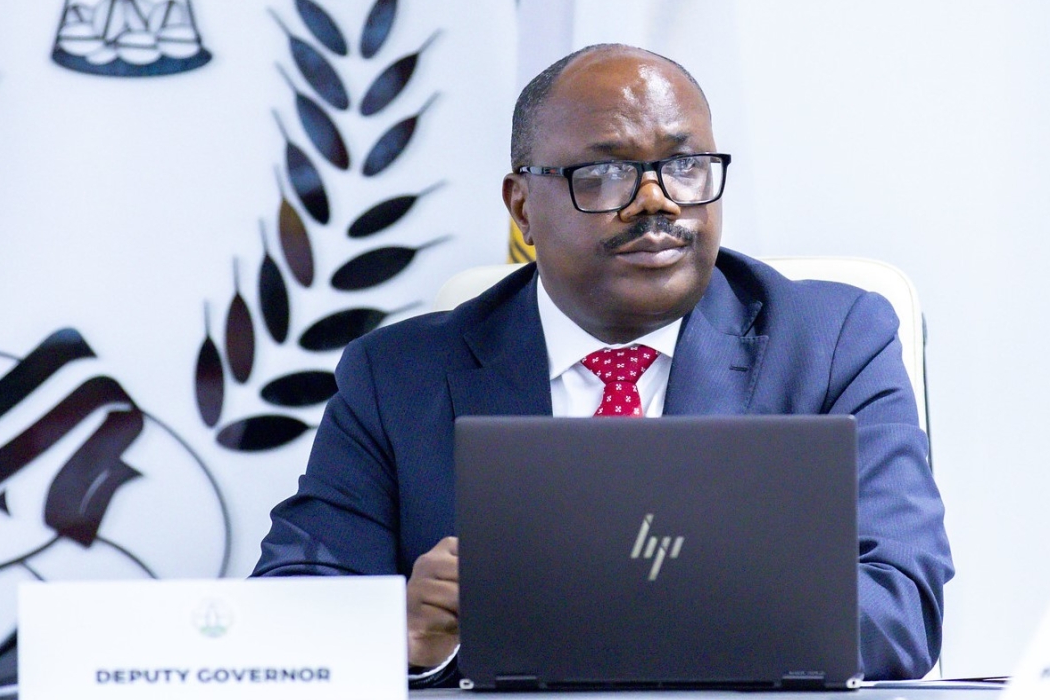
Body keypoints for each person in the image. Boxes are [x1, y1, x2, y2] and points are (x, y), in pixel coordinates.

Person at [254, 43, 953, 686]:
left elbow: (900, 606)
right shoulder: (398, 376)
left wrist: (605, 602)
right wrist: (405, 632)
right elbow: (289, 610)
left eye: (685, 166)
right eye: (606, 172)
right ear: (522, 205)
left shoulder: (832, 344)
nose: (656, 201)